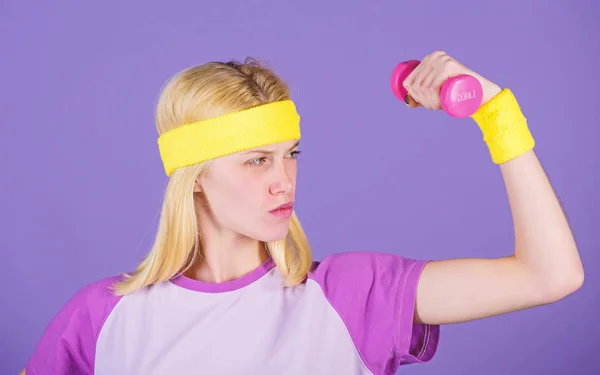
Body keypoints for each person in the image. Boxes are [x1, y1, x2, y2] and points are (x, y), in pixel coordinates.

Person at [20, 50, 584, 375]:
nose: (283, 180)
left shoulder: (352, 296)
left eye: (291, 155)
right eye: (256, 161)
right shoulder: (101, 319)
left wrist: (496, 113)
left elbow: (550, 275)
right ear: (194, 179)